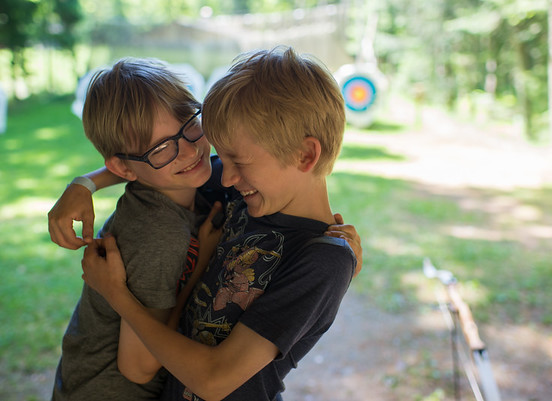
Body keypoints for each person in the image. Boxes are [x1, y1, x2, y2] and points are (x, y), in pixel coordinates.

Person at [50, 46, 362, 400]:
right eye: (222, 155)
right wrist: (84, 183)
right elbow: (156, 164)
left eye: (237, 161)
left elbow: (214, 380)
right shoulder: (238, 194)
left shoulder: (321, 260)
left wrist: (117, 295)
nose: (223, 175)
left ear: (305, 155)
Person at [51, 58, 225, 400]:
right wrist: (200, 264)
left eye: (190, 122)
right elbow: (139, 366)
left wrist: (85, 182)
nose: (190, 150)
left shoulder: (171, 188)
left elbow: (142, 159)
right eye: (161, 147)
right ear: (123, 167)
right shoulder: (159, 235)